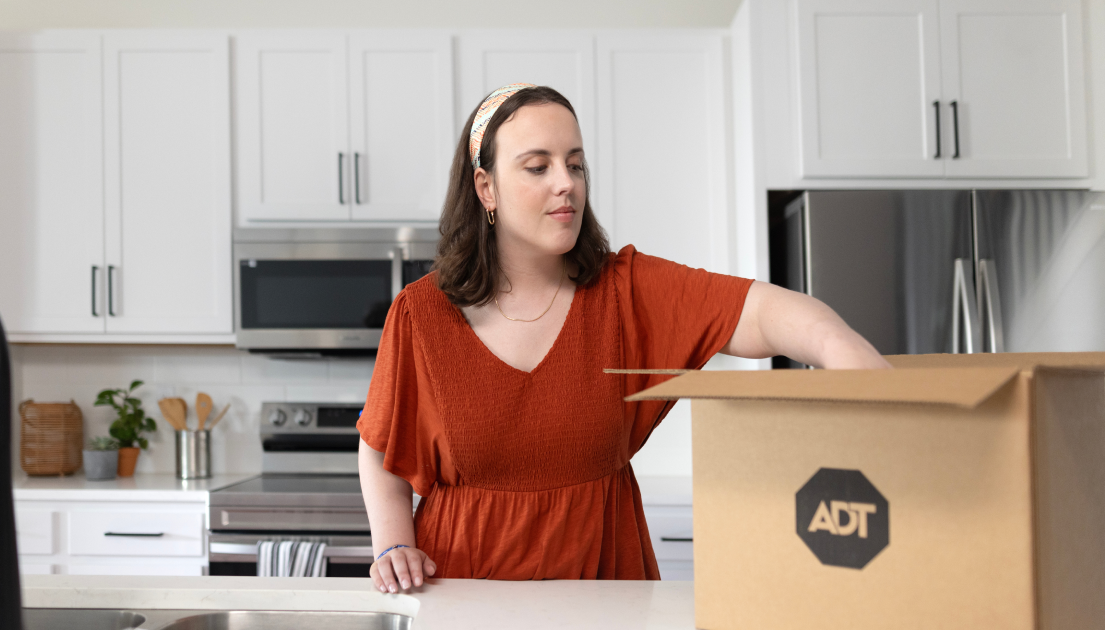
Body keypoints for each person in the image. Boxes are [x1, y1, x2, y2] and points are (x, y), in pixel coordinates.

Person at [356, 83, 890, 594]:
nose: (565, 182)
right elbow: (380, 446)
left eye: (575, 163)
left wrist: (839, 348)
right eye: (538, 166)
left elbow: (756, 310)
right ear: (485, 187)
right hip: (462, 594)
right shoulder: (422, 313)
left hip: (607, 592)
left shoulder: (625, 291)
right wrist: (392, 545)